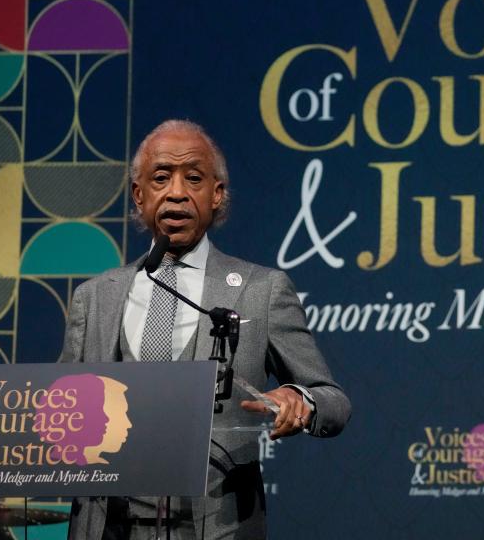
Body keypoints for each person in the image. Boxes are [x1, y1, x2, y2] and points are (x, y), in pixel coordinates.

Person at [60, 119, 351, 539]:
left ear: (216, 195)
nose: (176, 191)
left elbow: (334, 401)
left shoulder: (261, 290)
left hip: (216, 526)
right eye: (161, 177)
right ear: (139, 197)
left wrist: (300, 398)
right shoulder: (95, 297)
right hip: (108, 526)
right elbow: (59, 409)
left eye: (193, 177)